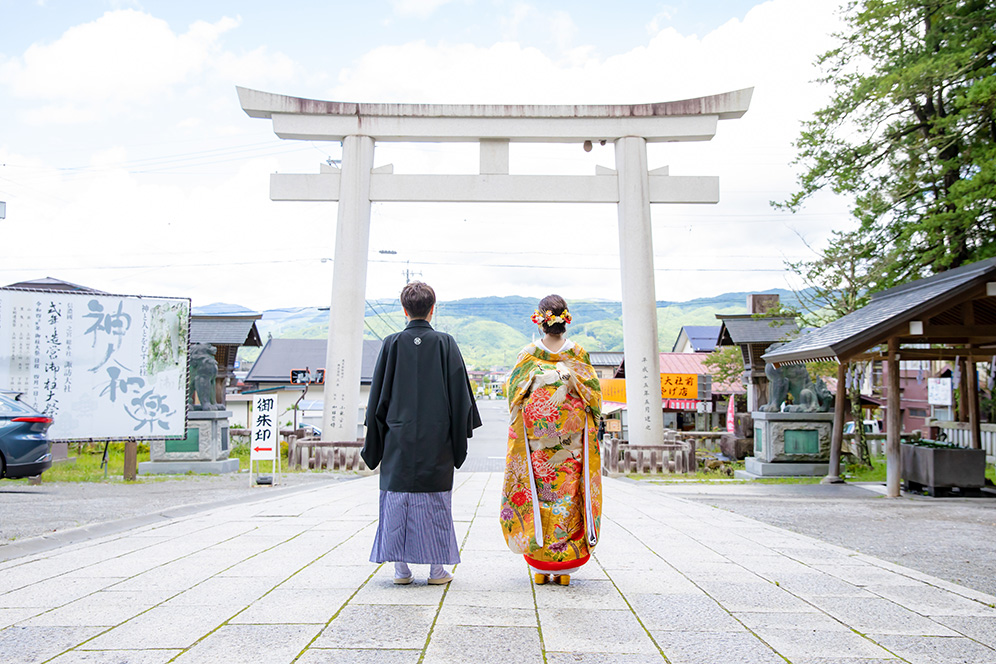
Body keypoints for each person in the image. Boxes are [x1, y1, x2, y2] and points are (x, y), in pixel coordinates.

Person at [361, 281, 482, 585]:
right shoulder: (445, 343)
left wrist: (375, 438)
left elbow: (377, 398)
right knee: (436, 503)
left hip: (397, 439)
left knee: (397, 500)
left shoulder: (391, 343)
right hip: (436, 439)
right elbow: (460, 398)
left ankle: (401, 569)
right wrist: (458, 436)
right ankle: (436, 570)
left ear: (404, 310)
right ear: (432, 308)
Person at [500, 294, 602, 586]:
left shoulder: (528, 355)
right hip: (572, 448)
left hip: (538, 447)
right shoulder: (578, 354)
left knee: (541, 498)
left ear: (540, 320)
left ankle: (541, 566)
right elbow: (594, 398)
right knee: (567, 500)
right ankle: (564, 569)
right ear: (566, 320)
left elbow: (513, 398)